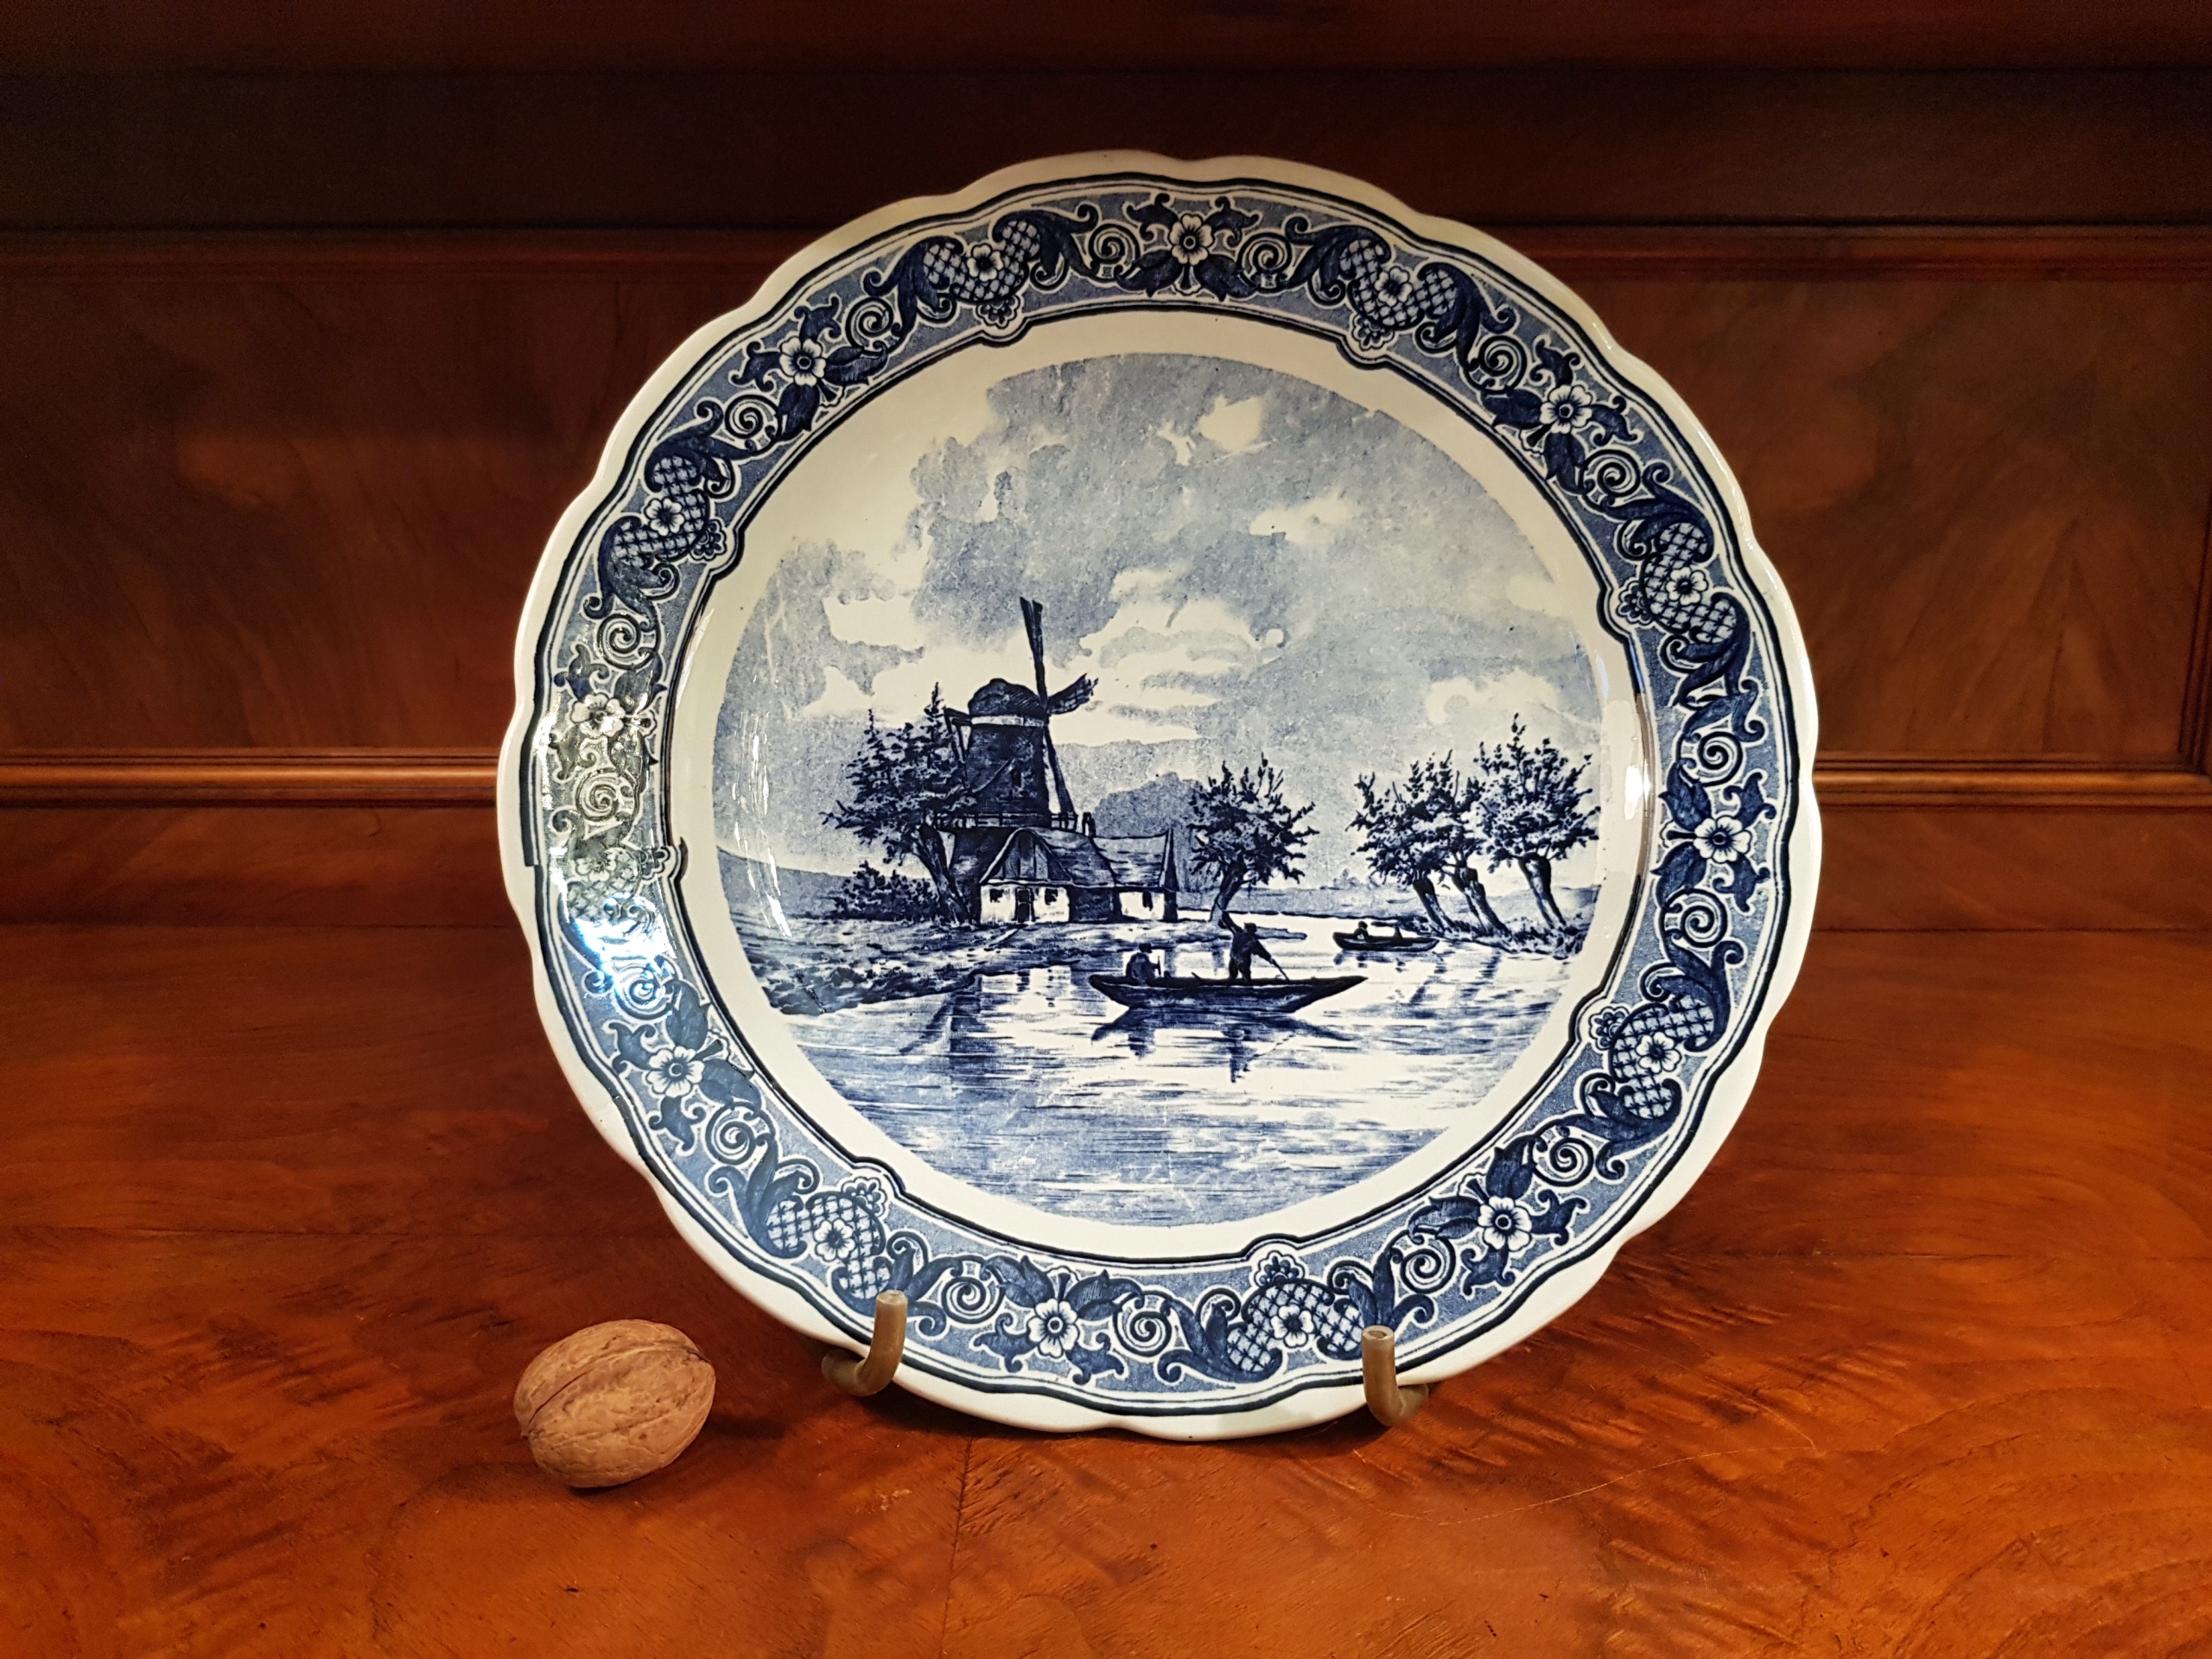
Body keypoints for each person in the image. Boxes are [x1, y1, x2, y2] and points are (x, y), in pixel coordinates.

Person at [1223, 916, 1277, 982]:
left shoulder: (1239, 933)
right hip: (1241, 961)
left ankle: (1235, 983)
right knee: (1245, 978)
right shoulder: (1251, 940)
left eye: (1246, 928)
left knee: (1235, 977)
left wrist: (1224, 916)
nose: (1245, 929)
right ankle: (1245, 982)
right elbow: (1262, 952)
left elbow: (1230, 924)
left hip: (1237, 960)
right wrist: (1269, 958)